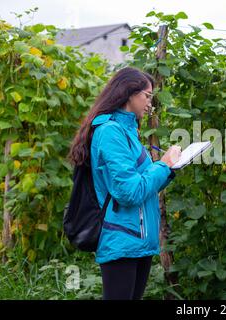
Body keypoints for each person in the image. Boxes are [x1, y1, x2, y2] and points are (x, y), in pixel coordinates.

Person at [67, 67, 181, 300]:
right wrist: (163, 165)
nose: (150, 104)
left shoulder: (128, 132)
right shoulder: (110, 132)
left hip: (138, 239)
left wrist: (169, 170)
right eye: (147, 96)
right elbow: (129, 192)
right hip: (121, 239)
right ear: (129, 93)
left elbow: (143, 186)